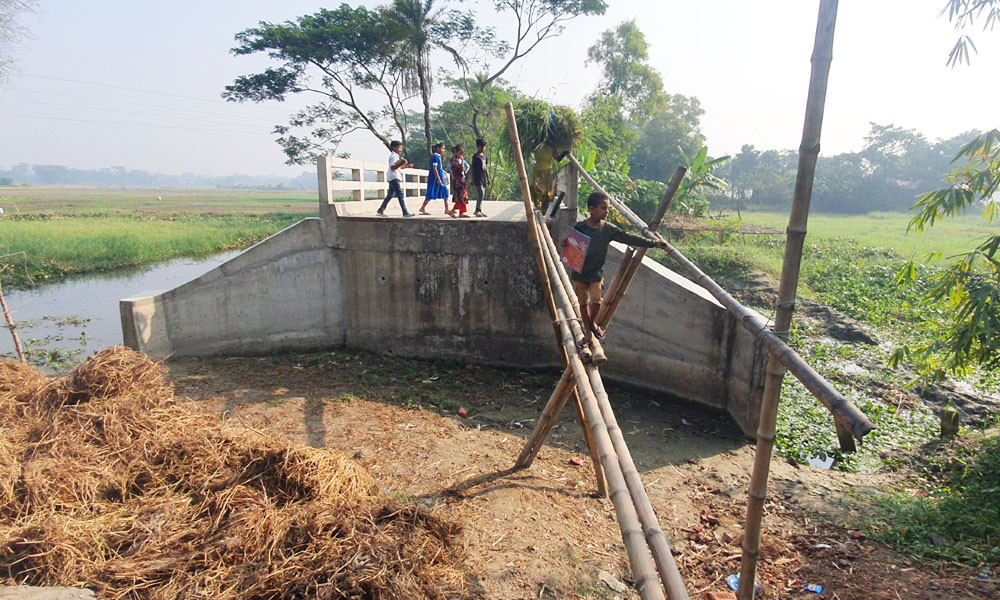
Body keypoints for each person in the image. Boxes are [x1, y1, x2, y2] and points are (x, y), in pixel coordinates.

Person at [561, 191, 667, 347]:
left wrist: (654, 243)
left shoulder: (608, 229)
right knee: (583, 304)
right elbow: (569, 244)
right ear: (591, 209)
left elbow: (628, 238)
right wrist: (565, 243)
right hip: (579, 274)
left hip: (596, 274)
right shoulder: (580, 227)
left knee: (597, 301)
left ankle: (591, 324)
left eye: (608, 208)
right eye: (603, 208)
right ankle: (589, 333)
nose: (607, 212)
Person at [376, 140, 414, 217]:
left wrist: (406, 166)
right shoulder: (393, 157)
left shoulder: (396, 156)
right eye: (399, 147)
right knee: (400, 194)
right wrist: (401, 162)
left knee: (390, 195)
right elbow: (393, 167)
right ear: (394, 148)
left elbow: (398, 168)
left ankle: (381, 210)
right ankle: (405, 212)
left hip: (393, 177)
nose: (401, 149)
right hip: (394, 177)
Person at [419, 143, 449, 215]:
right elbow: (434, 168)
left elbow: (440, 169)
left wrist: (444, 176)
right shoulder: (435, 157)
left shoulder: (439, 157)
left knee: (445, 192)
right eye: (442, 148)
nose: (443, 150)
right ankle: (422, 208)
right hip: (435, 179)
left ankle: (446, 209)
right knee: (430, 193)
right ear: (438, 148)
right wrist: (438, 179)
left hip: (440, 178)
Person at [448, 144, 470, 218]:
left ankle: (462, 212)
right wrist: (462, 166)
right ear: (456, 152)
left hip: (462, 179)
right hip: (457, 180)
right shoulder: (453, 160)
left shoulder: (461, 159)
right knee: (460, 196)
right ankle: (453, 210)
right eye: (460, 152)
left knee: (463, 196)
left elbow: (465, 168)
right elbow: (456, 168)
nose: (461, 154)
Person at [470, 138, 490, 217]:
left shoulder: (484, 156)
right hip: (477, 177)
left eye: (484, 146)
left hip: (483, 176)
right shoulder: (475, 157)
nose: (482, 148)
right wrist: (472, 178)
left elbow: (485, 168)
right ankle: (477, 210)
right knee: (480, 193)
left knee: (483, 194)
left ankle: (479, 209)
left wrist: (488, 178)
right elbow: (473, 168)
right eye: (481, 146)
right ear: (477, 147)